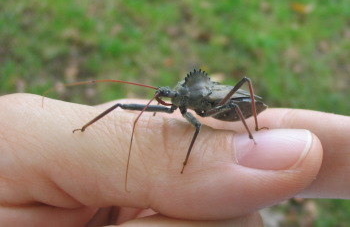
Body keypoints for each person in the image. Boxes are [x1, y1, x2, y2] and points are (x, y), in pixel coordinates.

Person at [0, 93, 348, 226]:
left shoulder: (192, 107)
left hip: (228, 107)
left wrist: (183, 164)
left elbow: (196, 129)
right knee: (124, 107)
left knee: (199, 125)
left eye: (165, 98)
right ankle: (84, 128)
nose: (163, 101)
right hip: (223, 109)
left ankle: (254, 133)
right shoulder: (176, 103)